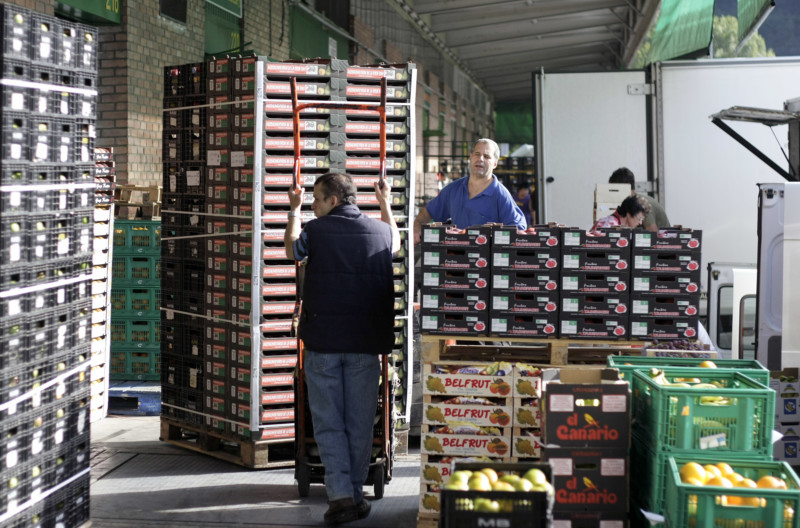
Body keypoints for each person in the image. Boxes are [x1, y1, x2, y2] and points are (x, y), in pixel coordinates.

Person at [284, 172, 400, 526]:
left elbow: (292, 250)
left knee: (328, 422)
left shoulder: (315, 232)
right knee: (360, 423)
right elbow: (395, 242)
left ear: (333, 200)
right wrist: (385, 203)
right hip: (366, 346)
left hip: (323, 344)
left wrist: (293, 210)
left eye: (317, 199)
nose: (314, 205)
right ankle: (352, 494)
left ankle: (340, 497)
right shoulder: (380, 231)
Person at [413, 138, 527, 244]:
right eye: (477, 154)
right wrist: (417, 227)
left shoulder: (501, 195)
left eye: (486, 156)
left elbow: (520, 229)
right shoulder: (453, 190)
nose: (480, 159)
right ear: (470, 157)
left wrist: (497, 231)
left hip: (487, 261)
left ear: (495, 163)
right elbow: (428, 212)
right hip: (457, 258)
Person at [608, 167, 670, 232]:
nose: (613, 193)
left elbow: (653, 232)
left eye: (615, 189)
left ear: (627, 185)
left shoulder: (642, 204)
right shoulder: (629, 203)